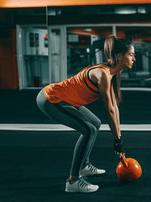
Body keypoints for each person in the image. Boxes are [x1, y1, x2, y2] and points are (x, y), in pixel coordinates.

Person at [36, 35, 135, 193]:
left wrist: (119, 139)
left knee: (95, 124)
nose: (133, 58)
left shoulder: (111, 74)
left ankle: (83, 166)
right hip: (51, 98)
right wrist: (117, 140)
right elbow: (108, 109)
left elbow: (114, 108)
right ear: (119, 56)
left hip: (65, 100)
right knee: (88, 129)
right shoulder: (103, 74)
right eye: (130, 54)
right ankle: (73, 181)